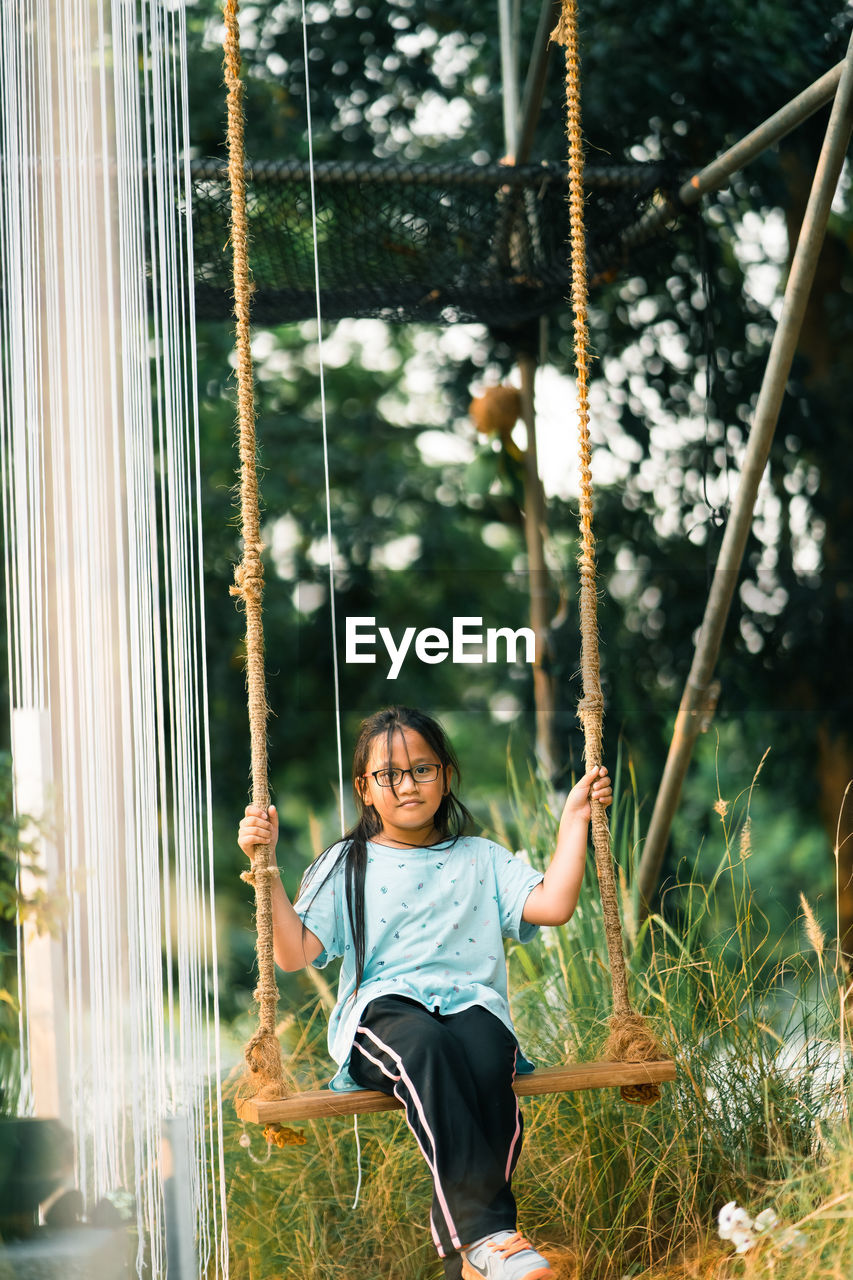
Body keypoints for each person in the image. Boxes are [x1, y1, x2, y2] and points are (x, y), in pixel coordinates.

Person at [238, 705, 612, 1280]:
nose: (407, 784)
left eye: (422, 769)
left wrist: (575, 822)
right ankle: (491, 1238)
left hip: (468, 1008)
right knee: (427, 1046)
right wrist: (268, 872)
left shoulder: (482, 859)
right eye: (389, 774)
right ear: (365, 788)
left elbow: (554, 906)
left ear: (446, 775)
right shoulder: (348, 863)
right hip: (383, 1020)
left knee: (490, 1052)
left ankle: (479, 1252)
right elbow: (292, 954)